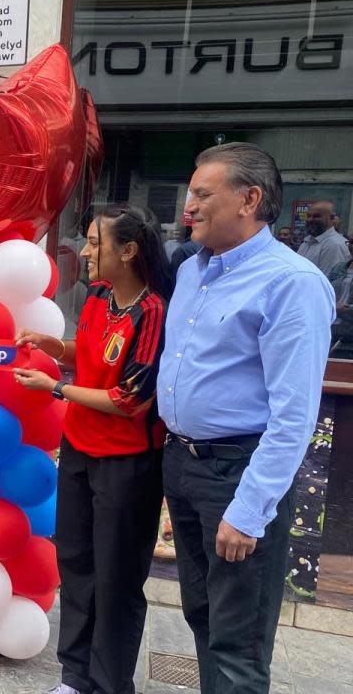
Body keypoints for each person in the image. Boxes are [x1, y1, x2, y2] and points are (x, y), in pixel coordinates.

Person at [159, 143, 334, 693]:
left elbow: (293, 415)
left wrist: (250, 509)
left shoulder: (291, 283)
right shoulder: (192, 270)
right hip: (183, 464)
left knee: (238, 641)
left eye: (203, 194)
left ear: (249, 199)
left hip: (236, 473)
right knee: (203, 616)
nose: (189, 207)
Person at [14, 203, 170, 694]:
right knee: (77, 565)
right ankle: (74, 677)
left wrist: (54, 388)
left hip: (127, 464)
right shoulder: (100, 295)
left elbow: (130, 400)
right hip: (79, 449)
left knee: (116, 578)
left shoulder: (152, 312)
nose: (84, 252)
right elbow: (89, 351)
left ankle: (109, 683)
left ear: (128, 251)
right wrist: (53, 347)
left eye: (94, 243)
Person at [298, 200, 351, 288]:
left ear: (332, 218)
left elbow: (329, 283)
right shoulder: (306, 242)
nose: (310, 219)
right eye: (308, 216)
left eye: (316, 216)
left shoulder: (334, 244)